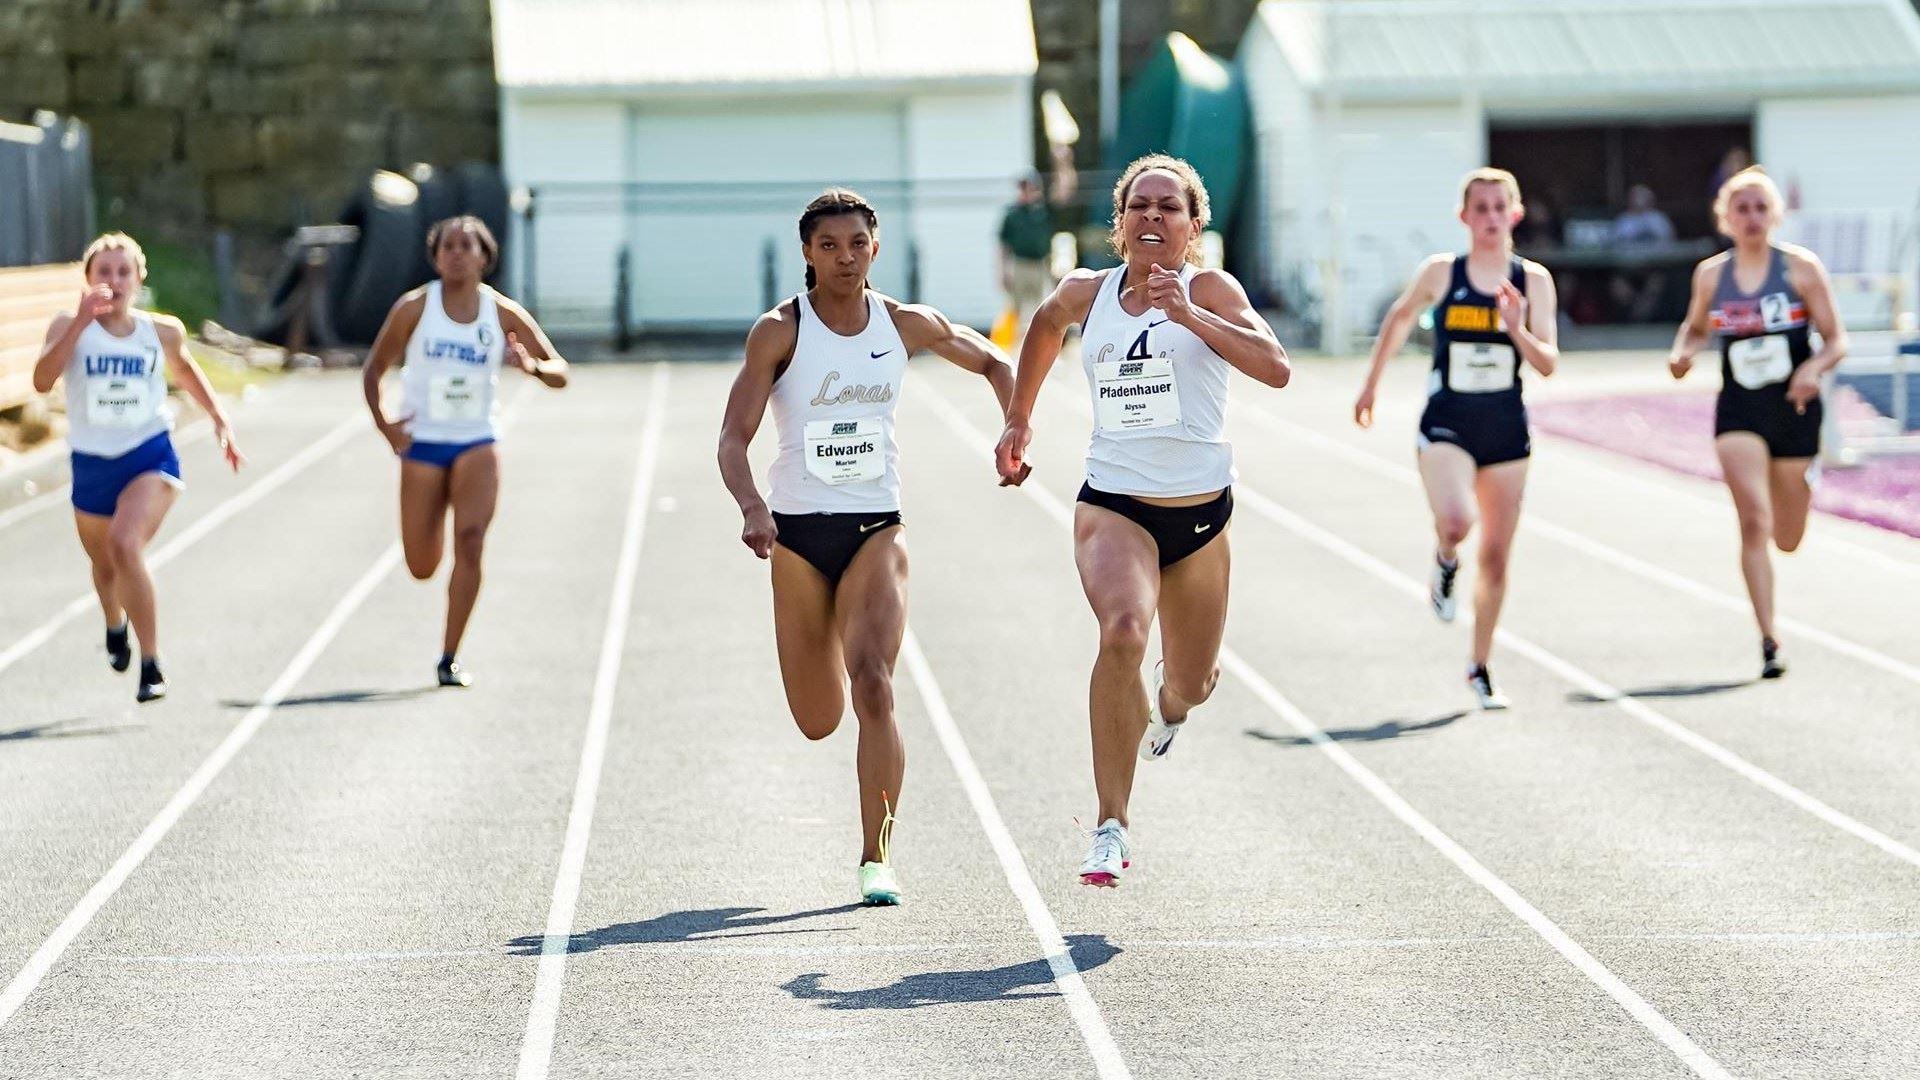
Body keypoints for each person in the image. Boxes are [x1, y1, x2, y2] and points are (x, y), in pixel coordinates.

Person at [994, 155, 1290, 888]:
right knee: (1122, 631)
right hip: (1115, 502)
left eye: (1170, 207)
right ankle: (1110, 825)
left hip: (1200, 518)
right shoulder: (1085, 293)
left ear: (1194, 227)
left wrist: (1190, 315)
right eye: (1140, 206)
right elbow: (1043, 324)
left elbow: (1276, 366)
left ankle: (1172, 705)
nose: (1153, 217)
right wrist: (1019, 420)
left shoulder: (1211, 287)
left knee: (1190, 685)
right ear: (1119, 224)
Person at [719, 189, 1020, 907]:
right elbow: (733, 437)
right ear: (807, 254)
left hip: (875, 525)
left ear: (876, 248)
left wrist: (1014, 431)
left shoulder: (904, 322)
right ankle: (864, 821)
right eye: (829, 246)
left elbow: (996, 364)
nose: (845, 258)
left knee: (875, 684)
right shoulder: (778, 332)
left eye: (857, 243)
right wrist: (752, 506)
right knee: (818, 717)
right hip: (794, 535)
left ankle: (875, 858)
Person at [1353, 168, 1560, 710]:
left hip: (1506, 428)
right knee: (1456, 521)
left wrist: (1515, 327)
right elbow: (1399, 320)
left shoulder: (1532, 280)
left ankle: (1480, 666)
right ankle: (1446, 557)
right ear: (1464, 217)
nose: (1490, 218)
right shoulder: (1443, 273)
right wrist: (1371, 386)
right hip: (1447, 422)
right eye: (1480, 208)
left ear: (1513, 215)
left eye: (1499, 208)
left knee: (1494, 558)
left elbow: (1549, 363)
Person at [33, 232, 245, 703]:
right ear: (87, 280)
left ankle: (151, 662)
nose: (114, 281)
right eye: (103, 272)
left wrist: (220, 420)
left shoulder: (161, 331)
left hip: (148, 453)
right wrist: (79, 323)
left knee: (125, 545)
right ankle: (114, 622)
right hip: (91, 462)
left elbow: (186, 371)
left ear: (138, 279)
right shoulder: (68, 326)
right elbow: (43, 379)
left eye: (123, 271)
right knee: (103, 566)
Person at [362, 215, 569, 688]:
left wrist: (533, 367)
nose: (456, 253)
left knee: (471, 541)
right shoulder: (415, 308)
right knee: (421, 565)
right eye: (447, 246)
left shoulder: (502, 313)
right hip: (423, 444)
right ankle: (436, 599)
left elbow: (562, 371)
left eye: (466, 245)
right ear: (435, 257)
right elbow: (373, 370)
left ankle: (449, 655)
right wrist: (387, 429)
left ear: (484, 256)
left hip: (477, 440)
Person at [1668, 166, 1846, 680]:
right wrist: (1684, 353)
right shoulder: (1711, 275)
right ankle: (1769, 638)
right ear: (1725, 217)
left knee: (1787, 536)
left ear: (1775, 215)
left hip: (1793, 406)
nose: (1751, 218)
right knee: (1753, 520)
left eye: (1760, 208)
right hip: (1740, 410)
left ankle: (1800, 481)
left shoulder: (1800, 270)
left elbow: (1837, 339)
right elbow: (1696, 327)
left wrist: (1813, 368)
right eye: (1741, 209)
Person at [999, 174, 1058, 343]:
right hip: (1020, 264)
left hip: (1039, 264)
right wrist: (1004, 270)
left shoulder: (1043, 212)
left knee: (1040, 306)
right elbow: (1004, 245)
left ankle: (1036, 343)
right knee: (1014, 307)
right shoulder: (1012, 214)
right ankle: (1008, 343)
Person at [1610, 184, 1678, 321]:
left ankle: (1644, 320)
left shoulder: (1659, 219)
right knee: (1617, 285)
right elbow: (1612, 246)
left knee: (1656, 283)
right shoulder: (1623, 221)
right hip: (1628, 268)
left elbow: (1671, 243)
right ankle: (1631, 320)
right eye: (1635, 198)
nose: (1639, 202)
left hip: (1654, 267)